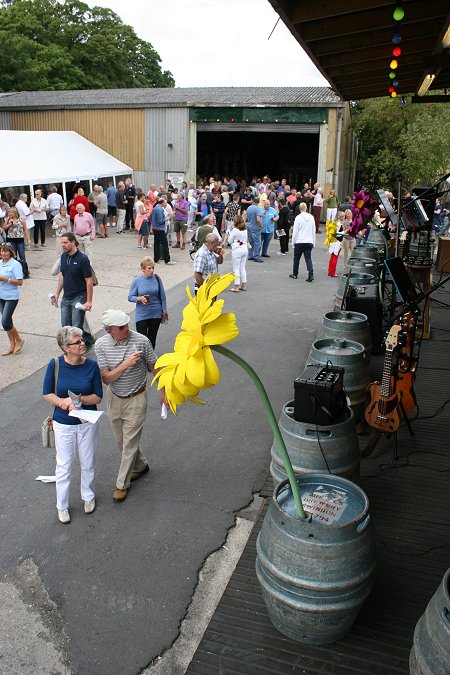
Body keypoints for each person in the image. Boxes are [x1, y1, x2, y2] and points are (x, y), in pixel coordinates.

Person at [95, 309, 164, 502]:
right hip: (114, 397)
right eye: (121, 327)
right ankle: (141, 465)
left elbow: (154, 367)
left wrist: (164, 392)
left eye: (127, 324)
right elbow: (107, 378)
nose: (127, 329)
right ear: (110, 331)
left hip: (136, 398)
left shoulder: (141, 340)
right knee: (121, 442)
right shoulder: (101, 345)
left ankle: (121, 485)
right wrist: (126, 364)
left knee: (129, 444)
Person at [43, 326, 103, 524]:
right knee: (64, 465)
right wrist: (63, 403)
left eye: (82, 340)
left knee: (88, 462)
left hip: (87, 422)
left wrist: (79, 401)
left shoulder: (92, 366)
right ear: (65, 347)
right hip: (63, 423)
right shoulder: (55, 364)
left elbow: (97, 397)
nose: (82, 343)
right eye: (77, 342)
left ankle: (88, 496)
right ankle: (62, 506)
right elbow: (47, 393)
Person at [53, 233, 94, 347]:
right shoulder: (63, 256)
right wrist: (57, 293)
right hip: (66, 297)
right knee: (65, 327)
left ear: (72, 242)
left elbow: (89, 281)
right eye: (62, 243)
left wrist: (89, 301)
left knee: (76, 328)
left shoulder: (83, 258)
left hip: (79, 297)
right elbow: (62, 276)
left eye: (65, 242)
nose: (63, 245)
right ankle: (72, 347)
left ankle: (79, 348)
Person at [128, 256, 168, 348]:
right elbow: (130, 297)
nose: (152, 270)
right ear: (143, 269)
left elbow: (163, 296)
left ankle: (150, 361)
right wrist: (139, 298)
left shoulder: (157, 279)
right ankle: (143, 359)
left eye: (153, 268)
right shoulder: (137, 281)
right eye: (149, 268)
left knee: (152, 338)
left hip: (155, 313)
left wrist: (164, 310)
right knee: (142, 340)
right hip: (142, 314)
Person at [0, 242, 25, 354]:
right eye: (2, 251)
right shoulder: (0, 263)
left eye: (5, 251)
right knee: (8, 321)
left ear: (10, 252)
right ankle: (12, 344)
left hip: (11, 297)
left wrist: (6, 279)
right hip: (1, 296)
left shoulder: (15, 264)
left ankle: (19, 340)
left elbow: (20, 282)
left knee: (5, 322)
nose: (3, 253)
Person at [289, 202, 316, 282]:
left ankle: (295, 274)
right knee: (308, 258)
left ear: (300, 209)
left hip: (300, 241)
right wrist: (313, 242)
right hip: (309, 241)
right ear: (306, 208)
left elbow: (295, 232)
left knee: (296, 258)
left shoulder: (298, 218)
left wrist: (293, 242)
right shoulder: (311, 217)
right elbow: (313, 230)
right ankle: (310, 274)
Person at [3, 206, 31, 279]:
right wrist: (9, 224)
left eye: (12, 212)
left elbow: (25, 230)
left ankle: (25, 272)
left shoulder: (21, 219)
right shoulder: (8, 219)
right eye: (9, 212)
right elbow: (4, 228)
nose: (10, 214)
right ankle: (14, 272)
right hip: (11, 239)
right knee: (13, 255)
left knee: (22, 255)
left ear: (15, 213)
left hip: (20, 239)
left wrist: (28, 239)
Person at [226, 215, 248, 292]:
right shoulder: (245, 230)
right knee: (242, 267)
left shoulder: (235, 230)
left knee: (236, 268)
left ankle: (236, 286)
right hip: (244, 249)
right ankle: (244, 284)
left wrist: (228, 234)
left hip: (237, 250)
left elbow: (229, 241)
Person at [151, 198, 175, 265]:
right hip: (159, 229)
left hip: (155, 228)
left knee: (156, 244)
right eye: (165, 203)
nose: (166, 204)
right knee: (165, 244)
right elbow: (160, 221)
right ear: (161, 203)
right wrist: (169, 217)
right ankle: (167, 260)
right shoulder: (159, 209)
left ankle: (156, 258)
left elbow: (151, 217)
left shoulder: (155, 208)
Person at [246, 196, 263, 263]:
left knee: (250, 241)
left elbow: (247, 216)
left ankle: (250, 255)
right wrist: (261, 225)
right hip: (255, 227)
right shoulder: (258, 209)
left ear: (253, 201)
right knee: (257, 242)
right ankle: (256, 256)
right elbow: (258, 219)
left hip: (249, 225)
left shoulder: (249, 208)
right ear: (258, 202)